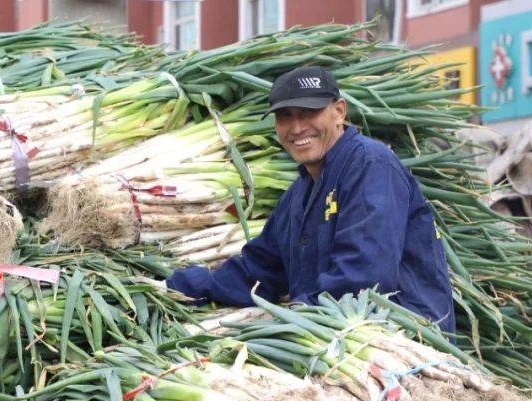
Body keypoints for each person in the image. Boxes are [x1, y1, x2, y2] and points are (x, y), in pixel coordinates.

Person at [166, 66, 456, 334]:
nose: (296, 128)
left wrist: (294, 315)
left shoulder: (371, 167)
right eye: (285, 116)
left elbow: (363, 276)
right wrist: (179, 287)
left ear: (339, 111)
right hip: (336, 336)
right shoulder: (298, 195)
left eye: (308, 112)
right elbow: (258, 271)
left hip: (405, 337)